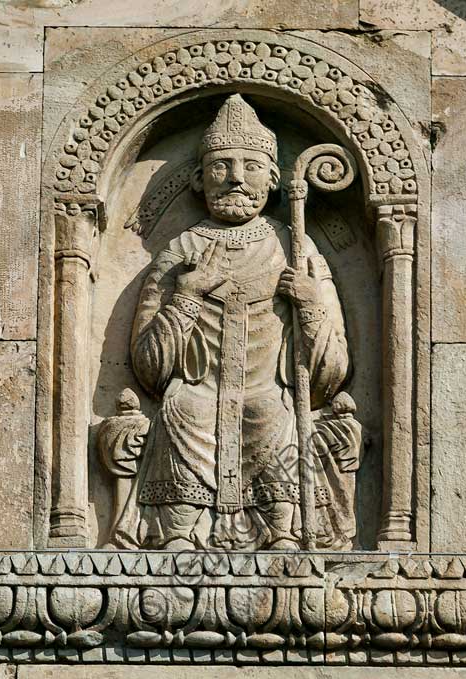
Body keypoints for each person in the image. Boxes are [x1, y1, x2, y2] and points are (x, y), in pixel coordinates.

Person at [128, 94, 351, 550]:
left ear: (272, 179)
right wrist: (187, 295)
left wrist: (309, 304)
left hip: (268, 391)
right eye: (220, 166)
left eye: (250, 166)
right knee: (182, 408)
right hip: (198, 392)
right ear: (198, 178)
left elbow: (331, 371)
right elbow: (149, 367)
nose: (235, 178)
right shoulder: (180, 251)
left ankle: (281, 528)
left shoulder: (297, 249)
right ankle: (180, 531)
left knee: (275, 412)